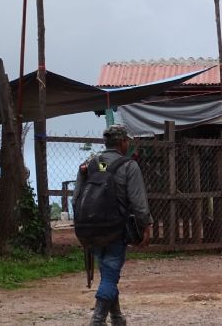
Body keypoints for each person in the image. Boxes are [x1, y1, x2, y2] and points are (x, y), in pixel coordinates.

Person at [73, 125, 153, 326]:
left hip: (89, 231)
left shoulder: (89, 165)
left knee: (108, 271)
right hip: (115, 230)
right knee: (110, 275)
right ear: (123, 142)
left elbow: (76, 199)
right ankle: (97, 320)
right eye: (127, 141)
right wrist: (146, 225)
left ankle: (117, 318)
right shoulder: (128, 166)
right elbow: (139, 202)